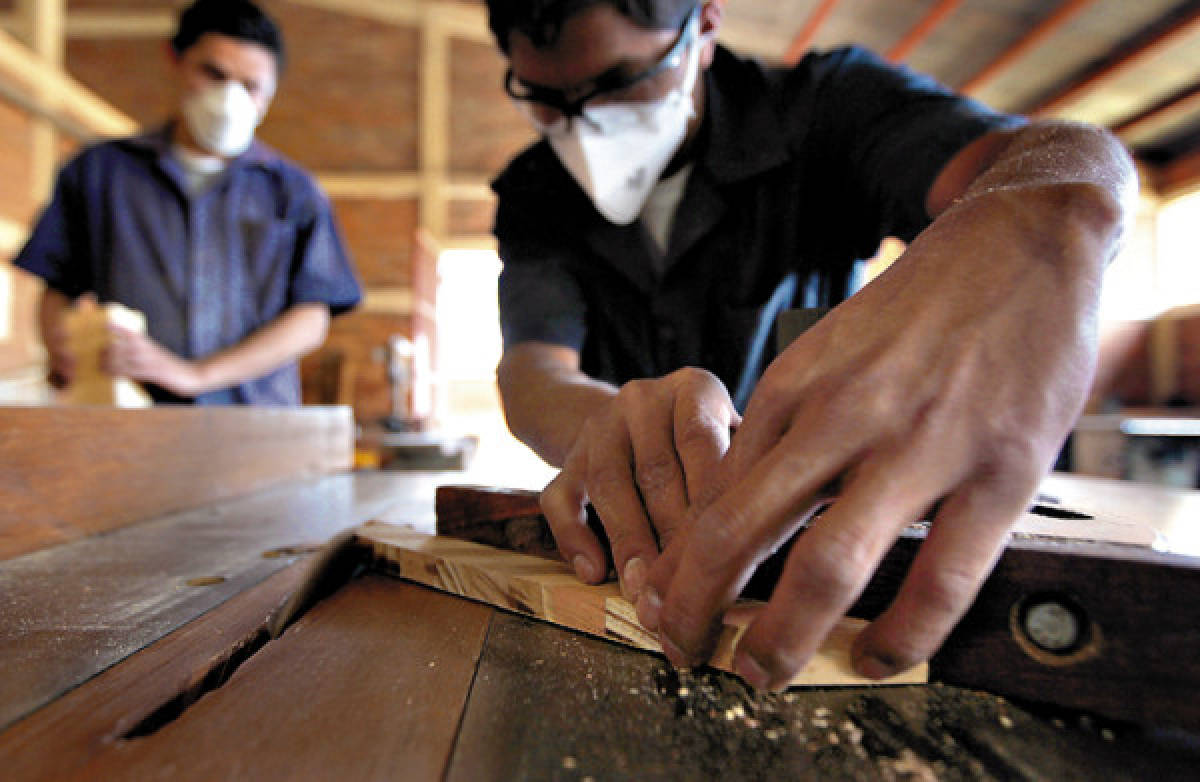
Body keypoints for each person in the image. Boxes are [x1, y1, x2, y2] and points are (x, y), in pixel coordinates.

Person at [486, 0, 1136, 689]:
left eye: (621, 82)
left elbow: (1052, 159)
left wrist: (1044, 214)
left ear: (703, 25)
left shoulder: (825, 110)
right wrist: (611, 430)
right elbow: (532, 368)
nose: (586, 124)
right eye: (548, 100)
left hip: (830, 535)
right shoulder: (535, 189)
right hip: (637, 551)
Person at [15, 0, 361, 405]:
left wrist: (194, 376)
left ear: (270, 94)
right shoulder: (99, 173)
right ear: (175, 60)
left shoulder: (294, 190)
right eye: (213, 73)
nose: (230, 96)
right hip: (133, 420)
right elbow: (58, 287)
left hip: (254, 426)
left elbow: (311, 318)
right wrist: (64, 350)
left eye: (250, 86)